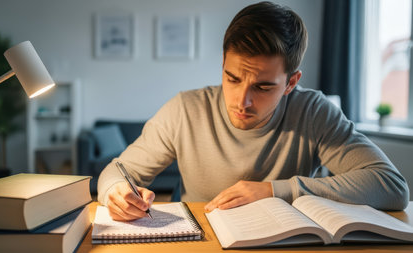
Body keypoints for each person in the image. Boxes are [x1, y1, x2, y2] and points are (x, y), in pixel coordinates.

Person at [98, 1, 409, 221]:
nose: (241, 101)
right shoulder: (185, 110)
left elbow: (392, 187)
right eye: (232, 78)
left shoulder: (314, 112)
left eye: (263, 87)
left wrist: (278, 190)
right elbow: (115, 172)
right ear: (222, 63)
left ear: (291, 82)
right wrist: (116, 192)